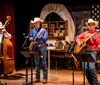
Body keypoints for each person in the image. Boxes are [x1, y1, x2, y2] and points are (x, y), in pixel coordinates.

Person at [75, 18, 100, 85]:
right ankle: (90, 82)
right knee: (85, 68)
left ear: (94, 25)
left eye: (91, 25)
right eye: (89, 25)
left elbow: (98, 45)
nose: (90, 26)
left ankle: (95, 83)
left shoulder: (97, 34)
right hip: (84, 51)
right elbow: (77, 38)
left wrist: (95, 39)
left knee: (91, 68)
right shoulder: (85, 33)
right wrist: (80, 42)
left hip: (92, 51)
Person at [28, 17, 48, 84]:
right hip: (35, 47)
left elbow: (45, 39)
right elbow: (30, 37)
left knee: (44, 63)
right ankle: (37, 78)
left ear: (39, 23)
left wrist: (41, 37)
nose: (36, 24)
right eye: (35, 23)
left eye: (37, 23)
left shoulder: (44, 30)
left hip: (42, 47)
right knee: (37, 64)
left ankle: (45, 78)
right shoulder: (33, 30)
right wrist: (31, 38)